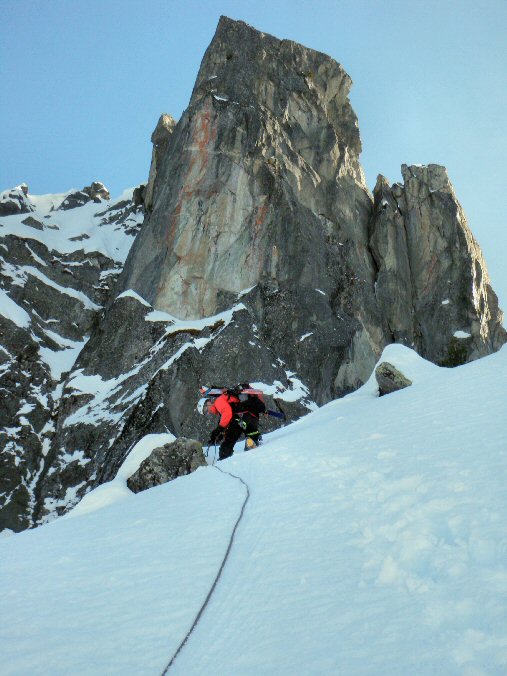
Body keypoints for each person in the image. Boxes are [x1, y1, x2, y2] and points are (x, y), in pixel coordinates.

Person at [199, 387, 266, 460]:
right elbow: (226, 418)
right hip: (250, 416)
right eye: (206, 414)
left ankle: (225, 457)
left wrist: (219, 429)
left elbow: (227, 414)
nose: (209, 413)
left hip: (245, 415)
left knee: (228, 442)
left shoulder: (218, 401)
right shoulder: (222, 403)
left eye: (206, 410)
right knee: (238, 436)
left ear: (207, 403)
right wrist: (220, 434)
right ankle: (254, 439)